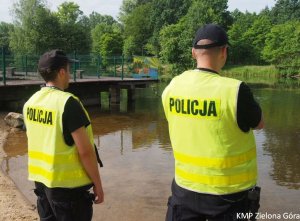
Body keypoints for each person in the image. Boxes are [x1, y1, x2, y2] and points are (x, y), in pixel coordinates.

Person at [162, 24, 264, 221]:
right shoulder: (235, 91)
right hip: (230, 197)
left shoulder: (172, 86)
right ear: (224, 52)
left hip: (185, 191)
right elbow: (259, 123)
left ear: (193, 53)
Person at [23, 49, 104, 221]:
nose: (70, 74)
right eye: (68, 69)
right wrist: (98, 184)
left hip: (42, 184)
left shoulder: (31, 102)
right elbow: (85, 151)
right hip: (69, 191)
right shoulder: (68, 103)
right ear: (61, 72)